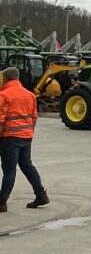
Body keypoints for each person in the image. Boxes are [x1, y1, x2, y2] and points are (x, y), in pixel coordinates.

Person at [0, 66, 49, 212]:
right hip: (26, 136)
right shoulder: (29, 95)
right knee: (27, 165)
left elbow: (1, 119)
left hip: (9, 137)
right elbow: (34, 117)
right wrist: (29, 132)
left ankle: (2, 202)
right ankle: (41, 195)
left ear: (6, 78)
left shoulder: (4, 95)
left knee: (9, 170)